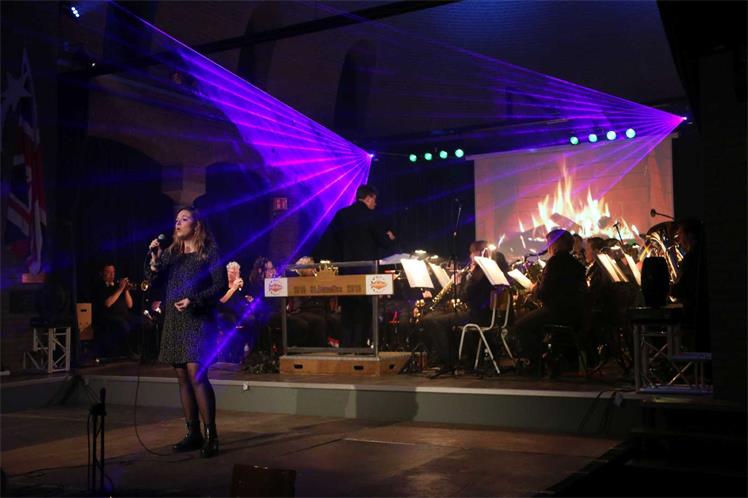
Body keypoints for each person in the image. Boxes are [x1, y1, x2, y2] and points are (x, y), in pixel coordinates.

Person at [146, 207, 224, 458]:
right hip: (175, 319)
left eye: (184, 219)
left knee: (196, 373)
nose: (178, 223)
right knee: (182, 376)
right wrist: (155, 260)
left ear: (196, 224)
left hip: (198, 318)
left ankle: (212, 435)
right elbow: (153, 280)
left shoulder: (208, 251)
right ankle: (193, 433)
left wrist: (194, 300)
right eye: (176, 219)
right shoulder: (173, 252)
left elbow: (220, 285)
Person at [321, 184, 396, 348]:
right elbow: (382, 241)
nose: (375, 203)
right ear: (368, 198)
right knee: (364, 310)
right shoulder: (370, 215)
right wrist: (389, 237)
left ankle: (346, 346)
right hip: (365, 272)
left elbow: (331, 241)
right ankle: (360, 346)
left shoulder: (341, 214)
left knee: (347, 310)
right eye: (374, 200)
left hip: (346, 271)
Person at [509, 229, 587, 369]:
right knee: (534, 321)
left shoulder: (554, 262)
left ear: (557, 244)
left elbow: (544, 293)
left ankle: (535, 363)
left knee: (520, 326)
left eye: (549, 243)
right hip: (576, 312)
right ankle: (548, 357)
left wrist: (534, 289)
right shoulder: (576, 264)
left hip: (558, 312)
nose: (548, 247)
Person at [671, 219, 709, 351]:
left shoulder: (690, 259)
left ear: (690, 235)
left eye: (680, 234)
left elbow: (682, 290)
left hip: (693, 315)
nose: (678, 239)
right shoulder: (703, 253)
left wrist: (667, 288)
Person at [92, 263, 140, 358]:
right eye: (109, 272)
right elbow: (108, 304)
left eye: (113, 272)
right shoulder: (99, 286)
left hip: (123, 315)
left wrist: (126, 290)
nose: (112, 274)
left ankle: (141, 350)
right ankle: (127, 352)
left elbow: (130, 305)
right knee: (124, 325)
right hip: (108, 316)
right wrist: (121, 289)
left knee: (143, 321)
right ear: (102, 273)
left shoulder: (117, 286)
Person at [217, 261, 253, 362]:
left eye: (237, 272)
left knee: (252, 320)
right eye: (232, 272)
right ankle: (233, 355)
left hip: (238, 313)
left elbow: (246, 297)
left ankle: (249, 352)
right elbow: (222, 300)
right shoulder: (222, 285)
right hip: (224, 313)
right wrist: (233, 288)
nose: (235, 274)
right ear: (227, 272)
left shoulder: (240, 285)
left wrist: (247, 296)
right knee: (230, 320)